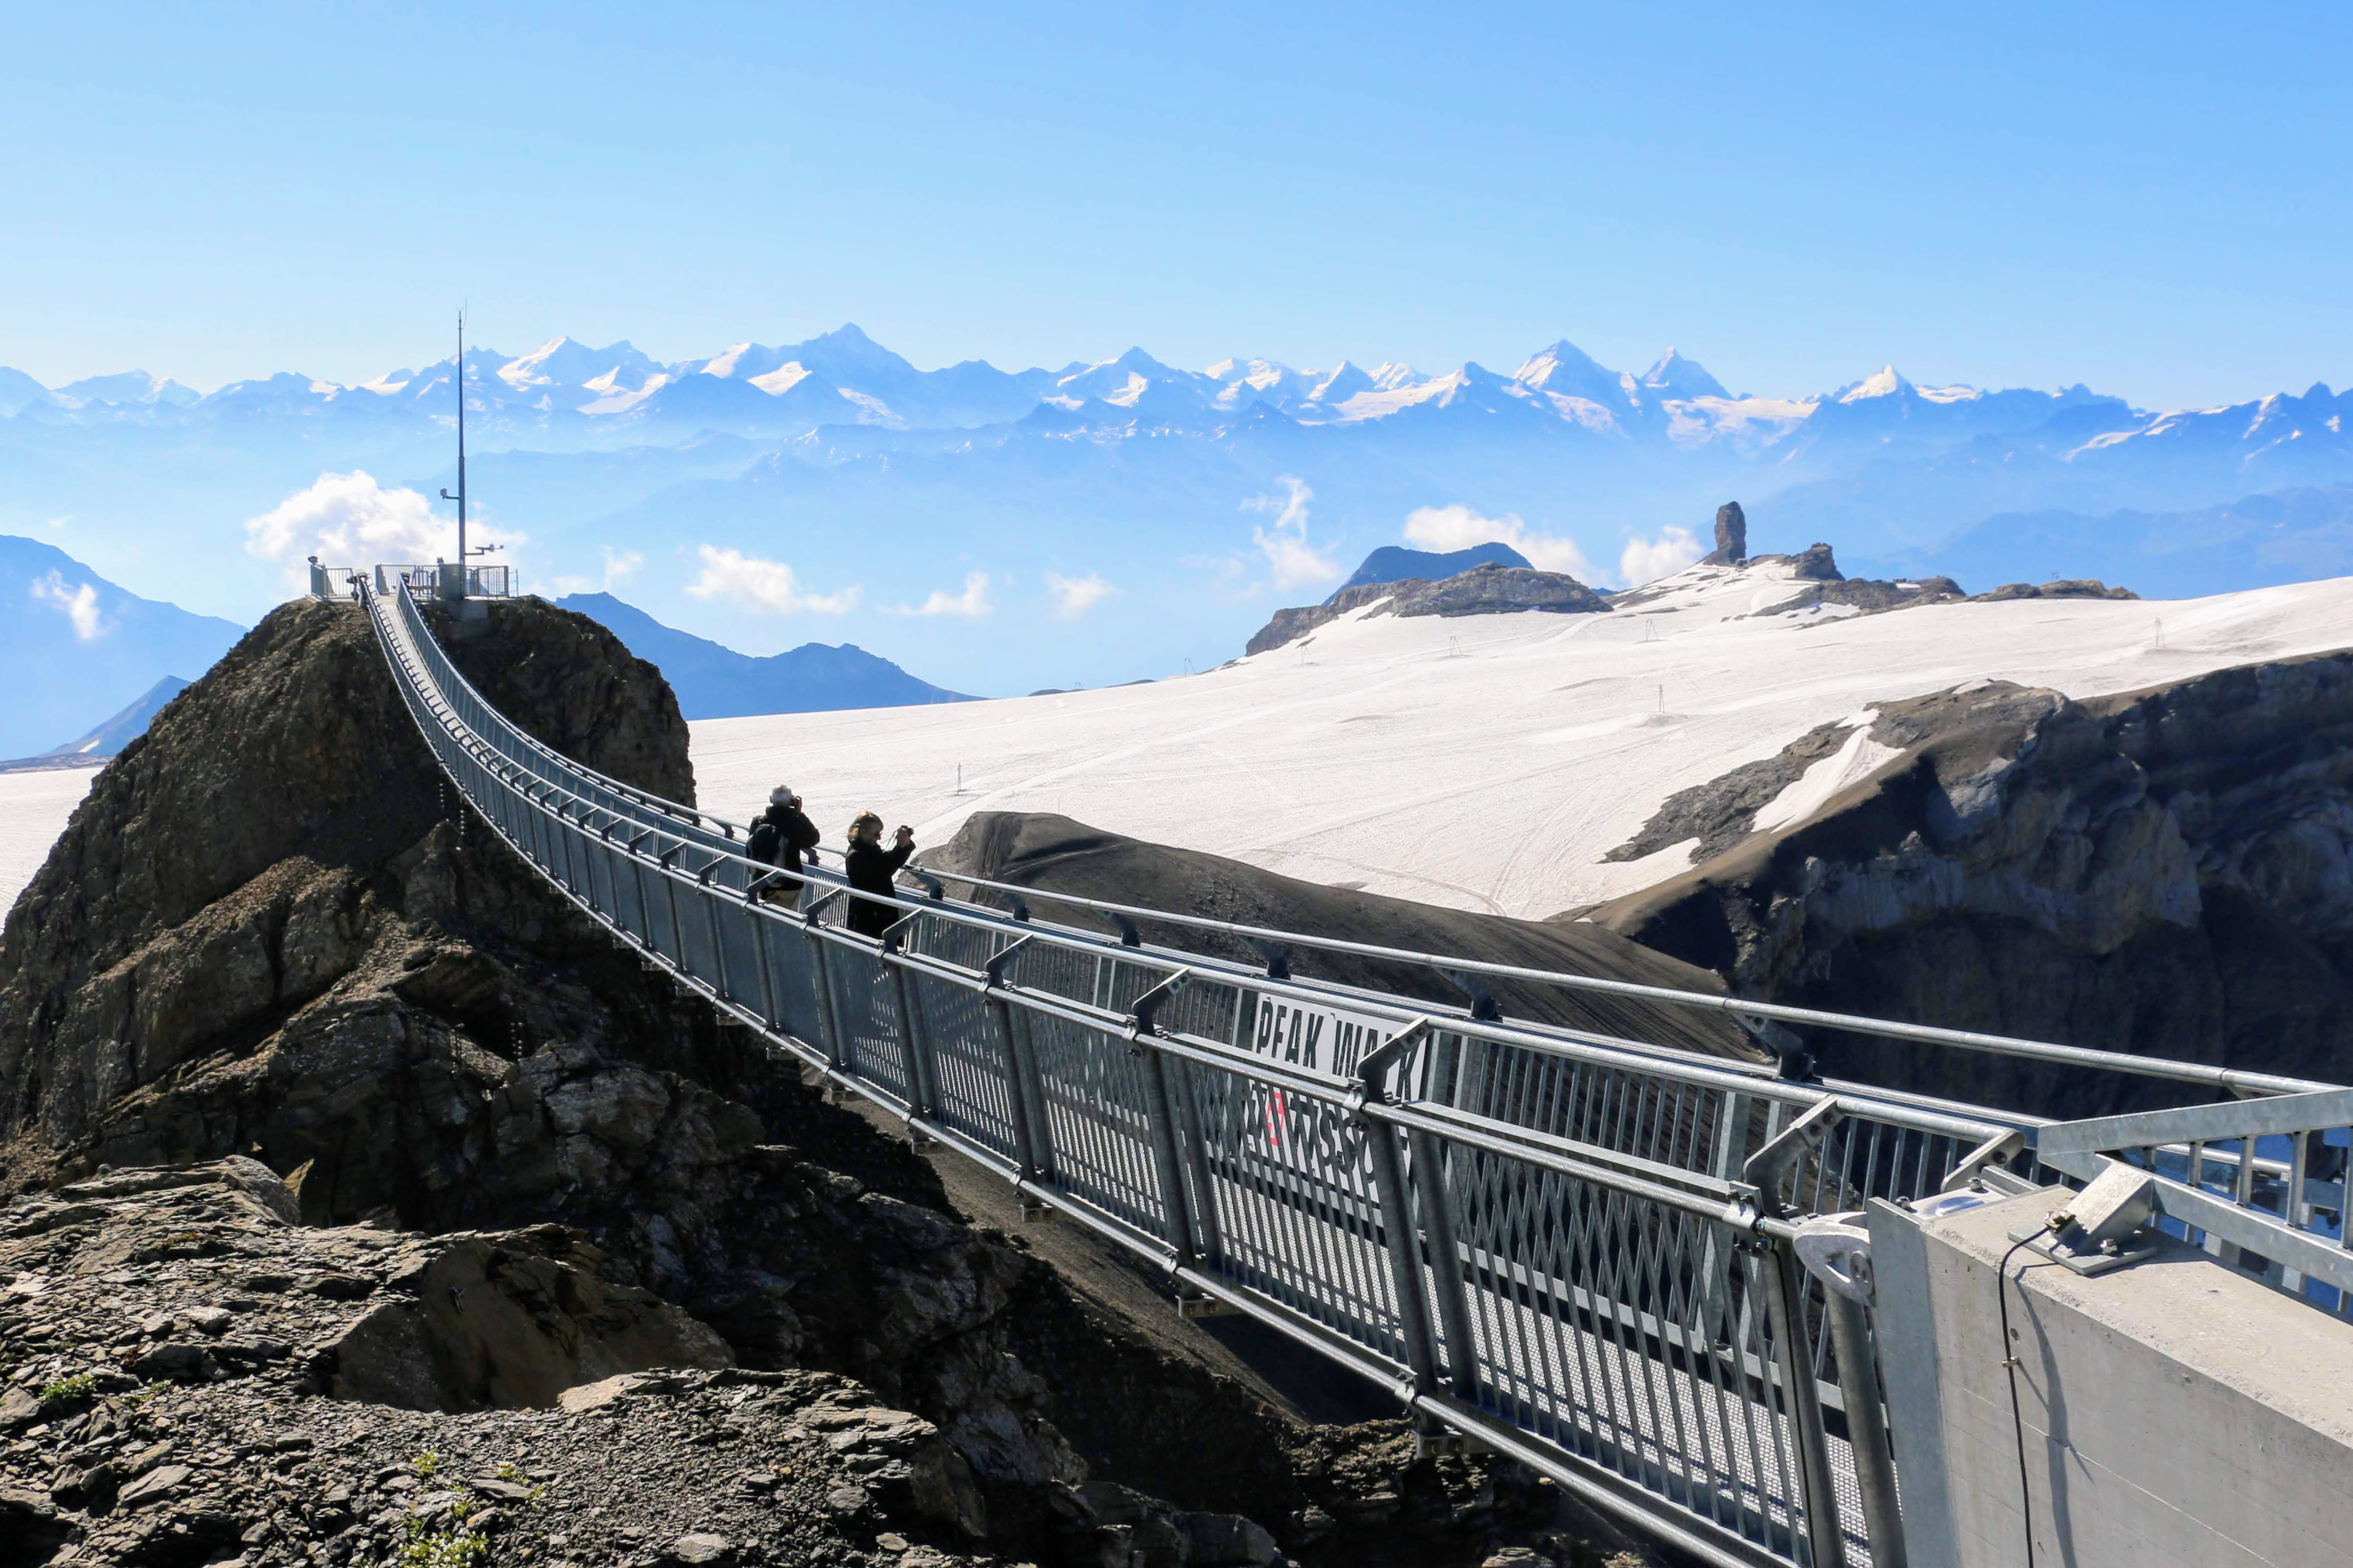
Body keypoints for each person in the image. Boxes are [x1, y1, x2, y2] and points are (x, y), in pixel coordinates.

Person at [844, 811, 915, 939]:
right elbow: (883, 869)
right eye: (876, 834)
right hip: (869, 918)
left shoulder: (865, 850)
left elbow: (885, 863)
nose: (879, 838)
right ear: (863, 832)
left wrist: (904, 846)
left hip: (877, 915)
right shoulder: (857, 855)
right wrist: (901, 848)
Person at [746, 785, 821, 893]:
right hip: (788, 883)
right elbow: (813, 839)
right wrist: (799, 814)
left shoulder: (758, 821)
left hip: (760, 881)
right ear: (791, 801)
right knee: (783, 910)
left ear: (771, 799)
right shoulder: (794, 824)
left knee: (760, 909)